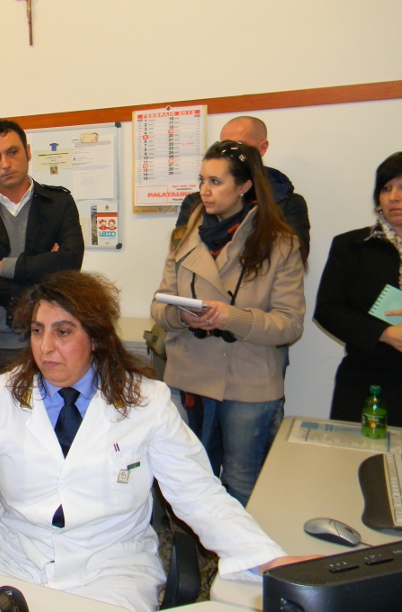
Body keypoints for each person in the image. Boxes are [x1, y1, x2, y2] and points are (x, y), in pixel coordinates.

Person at [0, 270, 302, 612]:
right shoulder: (2, 394)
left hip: (110, 566)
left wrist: (267, 559)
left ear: (95, 337)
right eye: (37, 330)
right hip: (13, 555)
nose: (45, 347)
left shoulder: (147, 402)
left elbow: (198, 492)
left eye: (63, 332)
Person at [151, 141, 306, 507]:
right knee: (187, 481)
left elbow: (290, 324)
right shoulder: (185, 235)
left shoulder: (280, 243)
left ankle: (241, 564)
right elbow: (159, 305)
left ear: (244, 186)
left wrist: (230, 317)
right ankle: (191, 564)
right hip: (188, 375)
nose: (204, 190)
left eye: (216, 181)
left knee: (241, 482)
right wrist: (179, 315)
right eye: (202, 180)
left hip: (249, 382)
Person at [0, 119, 83, 374]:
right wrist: (45, 266)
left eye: (12, 152)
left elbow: (70, 262)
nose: (5, 163)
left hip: (55, 337)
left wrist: (1, 267)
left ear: (27, 152)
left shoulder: (59, 203)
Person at [314, 152, 402, 425]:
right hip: (365, 381)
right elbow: (328, 311)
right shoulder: (351, 245)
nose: (394, 196)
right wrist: (386, 334)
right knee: (353, 465)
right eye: (386, 188)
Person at [176, 116, 310, 253]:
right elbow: (178, 258)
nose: (230, 154)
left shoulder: (287, 203)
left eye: (239, 146)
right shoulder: (195, 204)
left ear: (262, 148)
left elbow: (293, 259)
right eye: (224, 146)